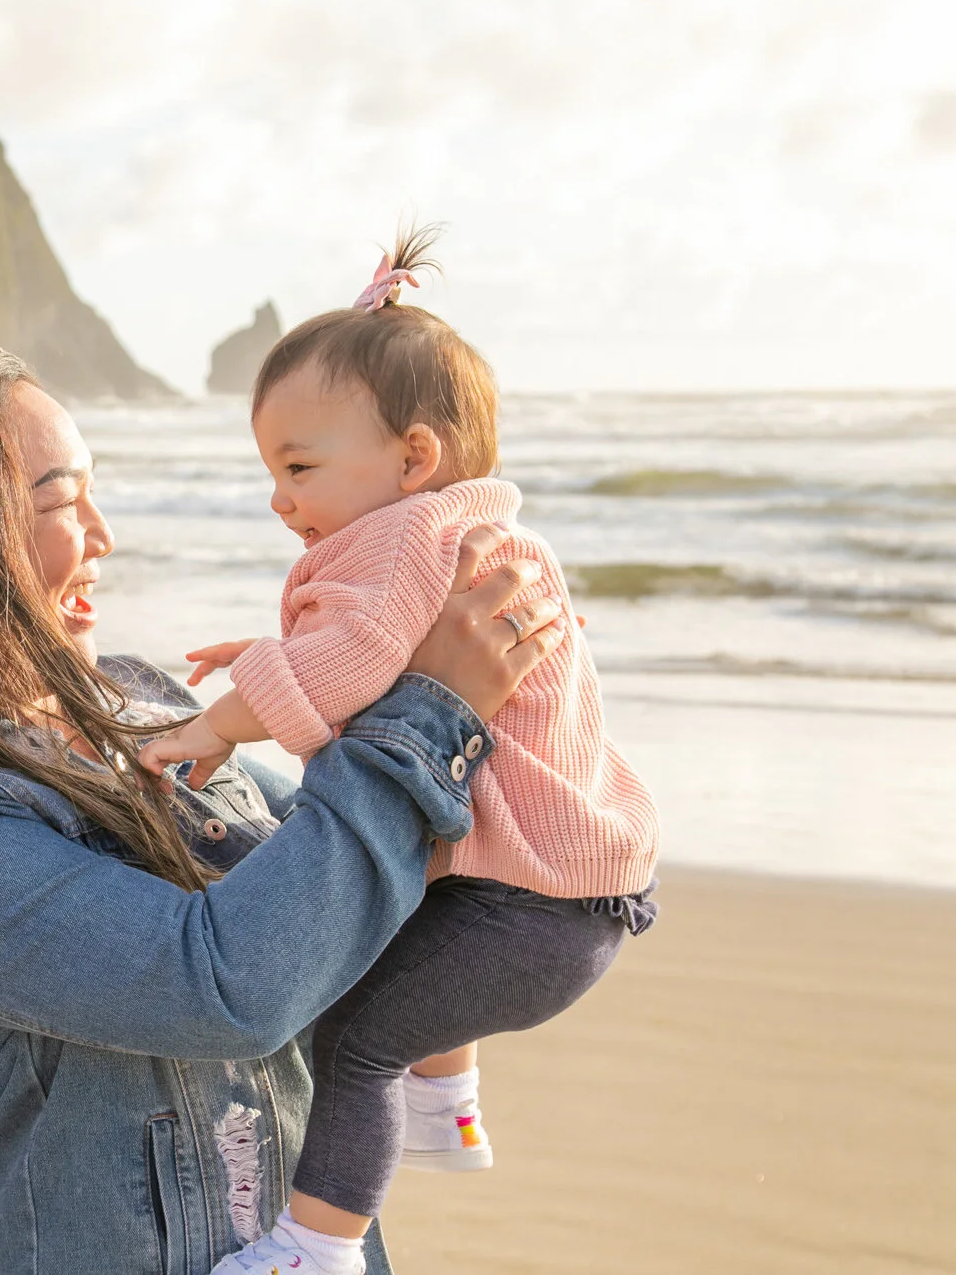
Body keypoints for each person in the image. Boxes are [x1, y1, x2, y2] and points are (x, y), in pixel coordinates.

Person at [0, 339, 564, 1272]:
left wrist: (488, 695)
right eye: (61, 502)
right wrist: (431, 710)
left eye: (93, 493)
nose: (103, 533)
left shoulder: (137, 703)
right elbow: (229, 986)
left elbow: (343, 880)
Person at [139, 226, 661, 1275]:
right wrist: (275, 661)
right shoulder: (485, 538)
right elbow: (382, 666)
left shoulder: (407, 535)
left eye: (298, 467)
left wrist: (218, 720)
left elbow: (356, 662)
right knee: (401, 919)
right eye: (271, 472)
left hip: (522, 912)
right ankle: (446, 1104)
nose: (280, 498)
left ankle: (315, 1249)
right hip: (570, 888)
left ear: (413, 459)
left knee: (354, 1038)